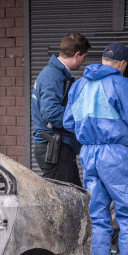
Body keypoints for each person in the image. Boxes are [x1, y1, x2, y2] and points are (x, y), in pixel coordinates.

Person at [63, 42, 128, 255]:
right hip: (115, 154)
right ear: (122, 64)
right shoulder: (121, 83)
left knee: (97, 215)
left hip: (89, 154)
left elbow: (69, 122)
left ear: (102, 60)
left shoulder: (79, 85)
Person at [31, 32, 91, 186]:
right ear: (77, 54)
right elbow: (51, 113)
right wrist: (80, 122)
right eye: (84, 57)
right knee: (63, 201)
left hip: (57, 147)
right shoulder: (53, 76)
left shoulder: (54, 74)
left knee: (74, 195)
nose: (84, 61)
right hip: (54, 149)